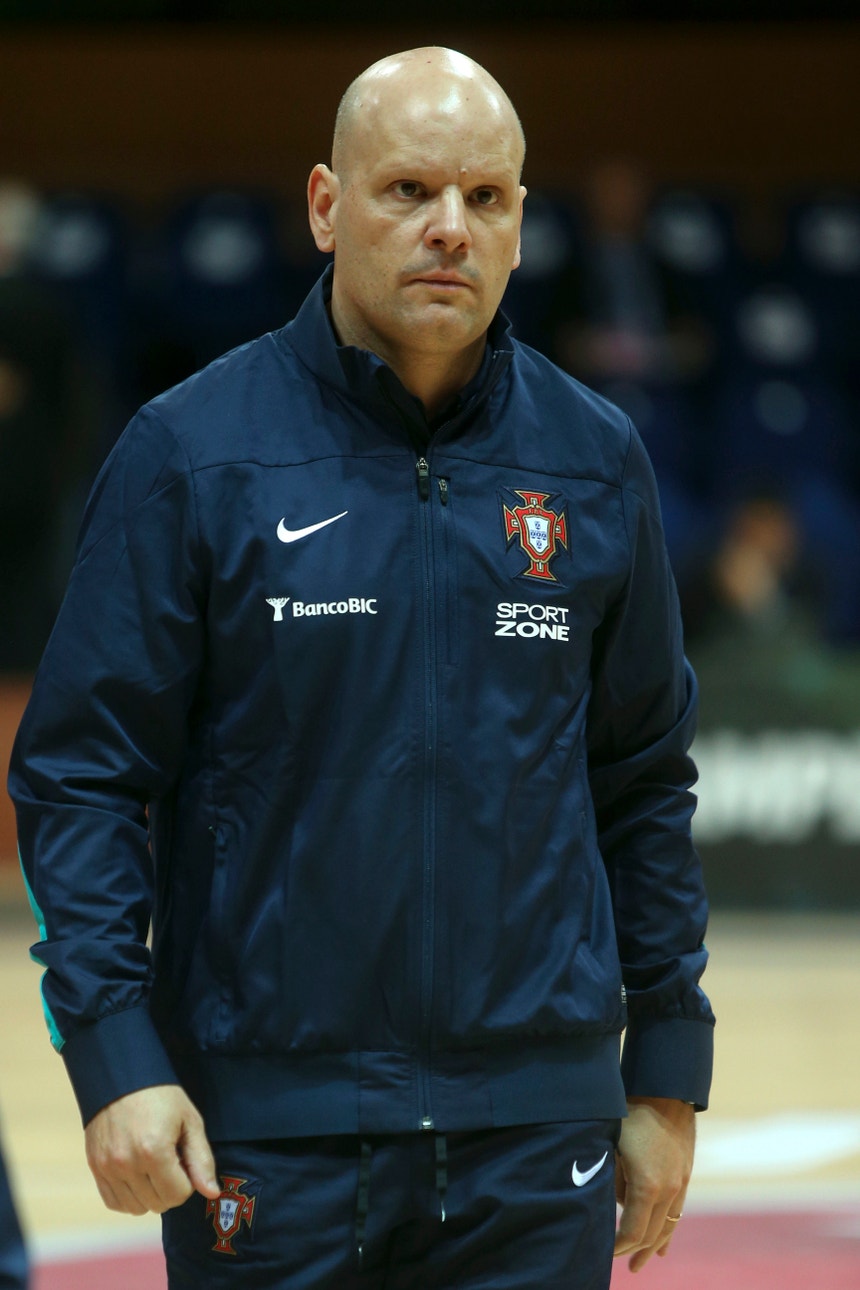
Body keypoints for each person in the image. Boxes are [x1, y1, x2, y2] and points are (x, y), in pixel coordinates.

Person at [8, 48, 713, 1289]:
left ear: (518, 226)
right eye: (407, 191)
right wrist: (115, 1059)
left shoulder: (593, 460)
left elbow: (643, 783)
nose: (449, 228)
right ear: (327, 207)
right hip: (263, 1133)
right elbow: (80, 781)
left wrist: (664, 1076)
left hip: (533, 1131)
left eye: (483, 199)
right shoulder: (192, 455)